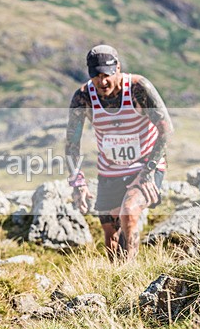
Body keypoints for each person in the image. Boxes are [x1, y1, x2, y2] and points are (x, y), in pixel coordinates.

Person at [65, 44, 173, 260]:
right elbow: (71, 144)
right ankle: (115, 280)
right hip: (110, 171)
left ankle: (130, 276)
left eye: (107, 74)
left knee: (129, 212)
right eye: (96, 76)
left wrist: (148, 171)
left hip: (145, 166)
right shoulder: (83, 97)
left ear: (118, 68)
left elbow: (166, 130)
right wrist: (78, 183)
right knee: (111, 237)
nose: (102, 82)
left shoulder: (138, 88)